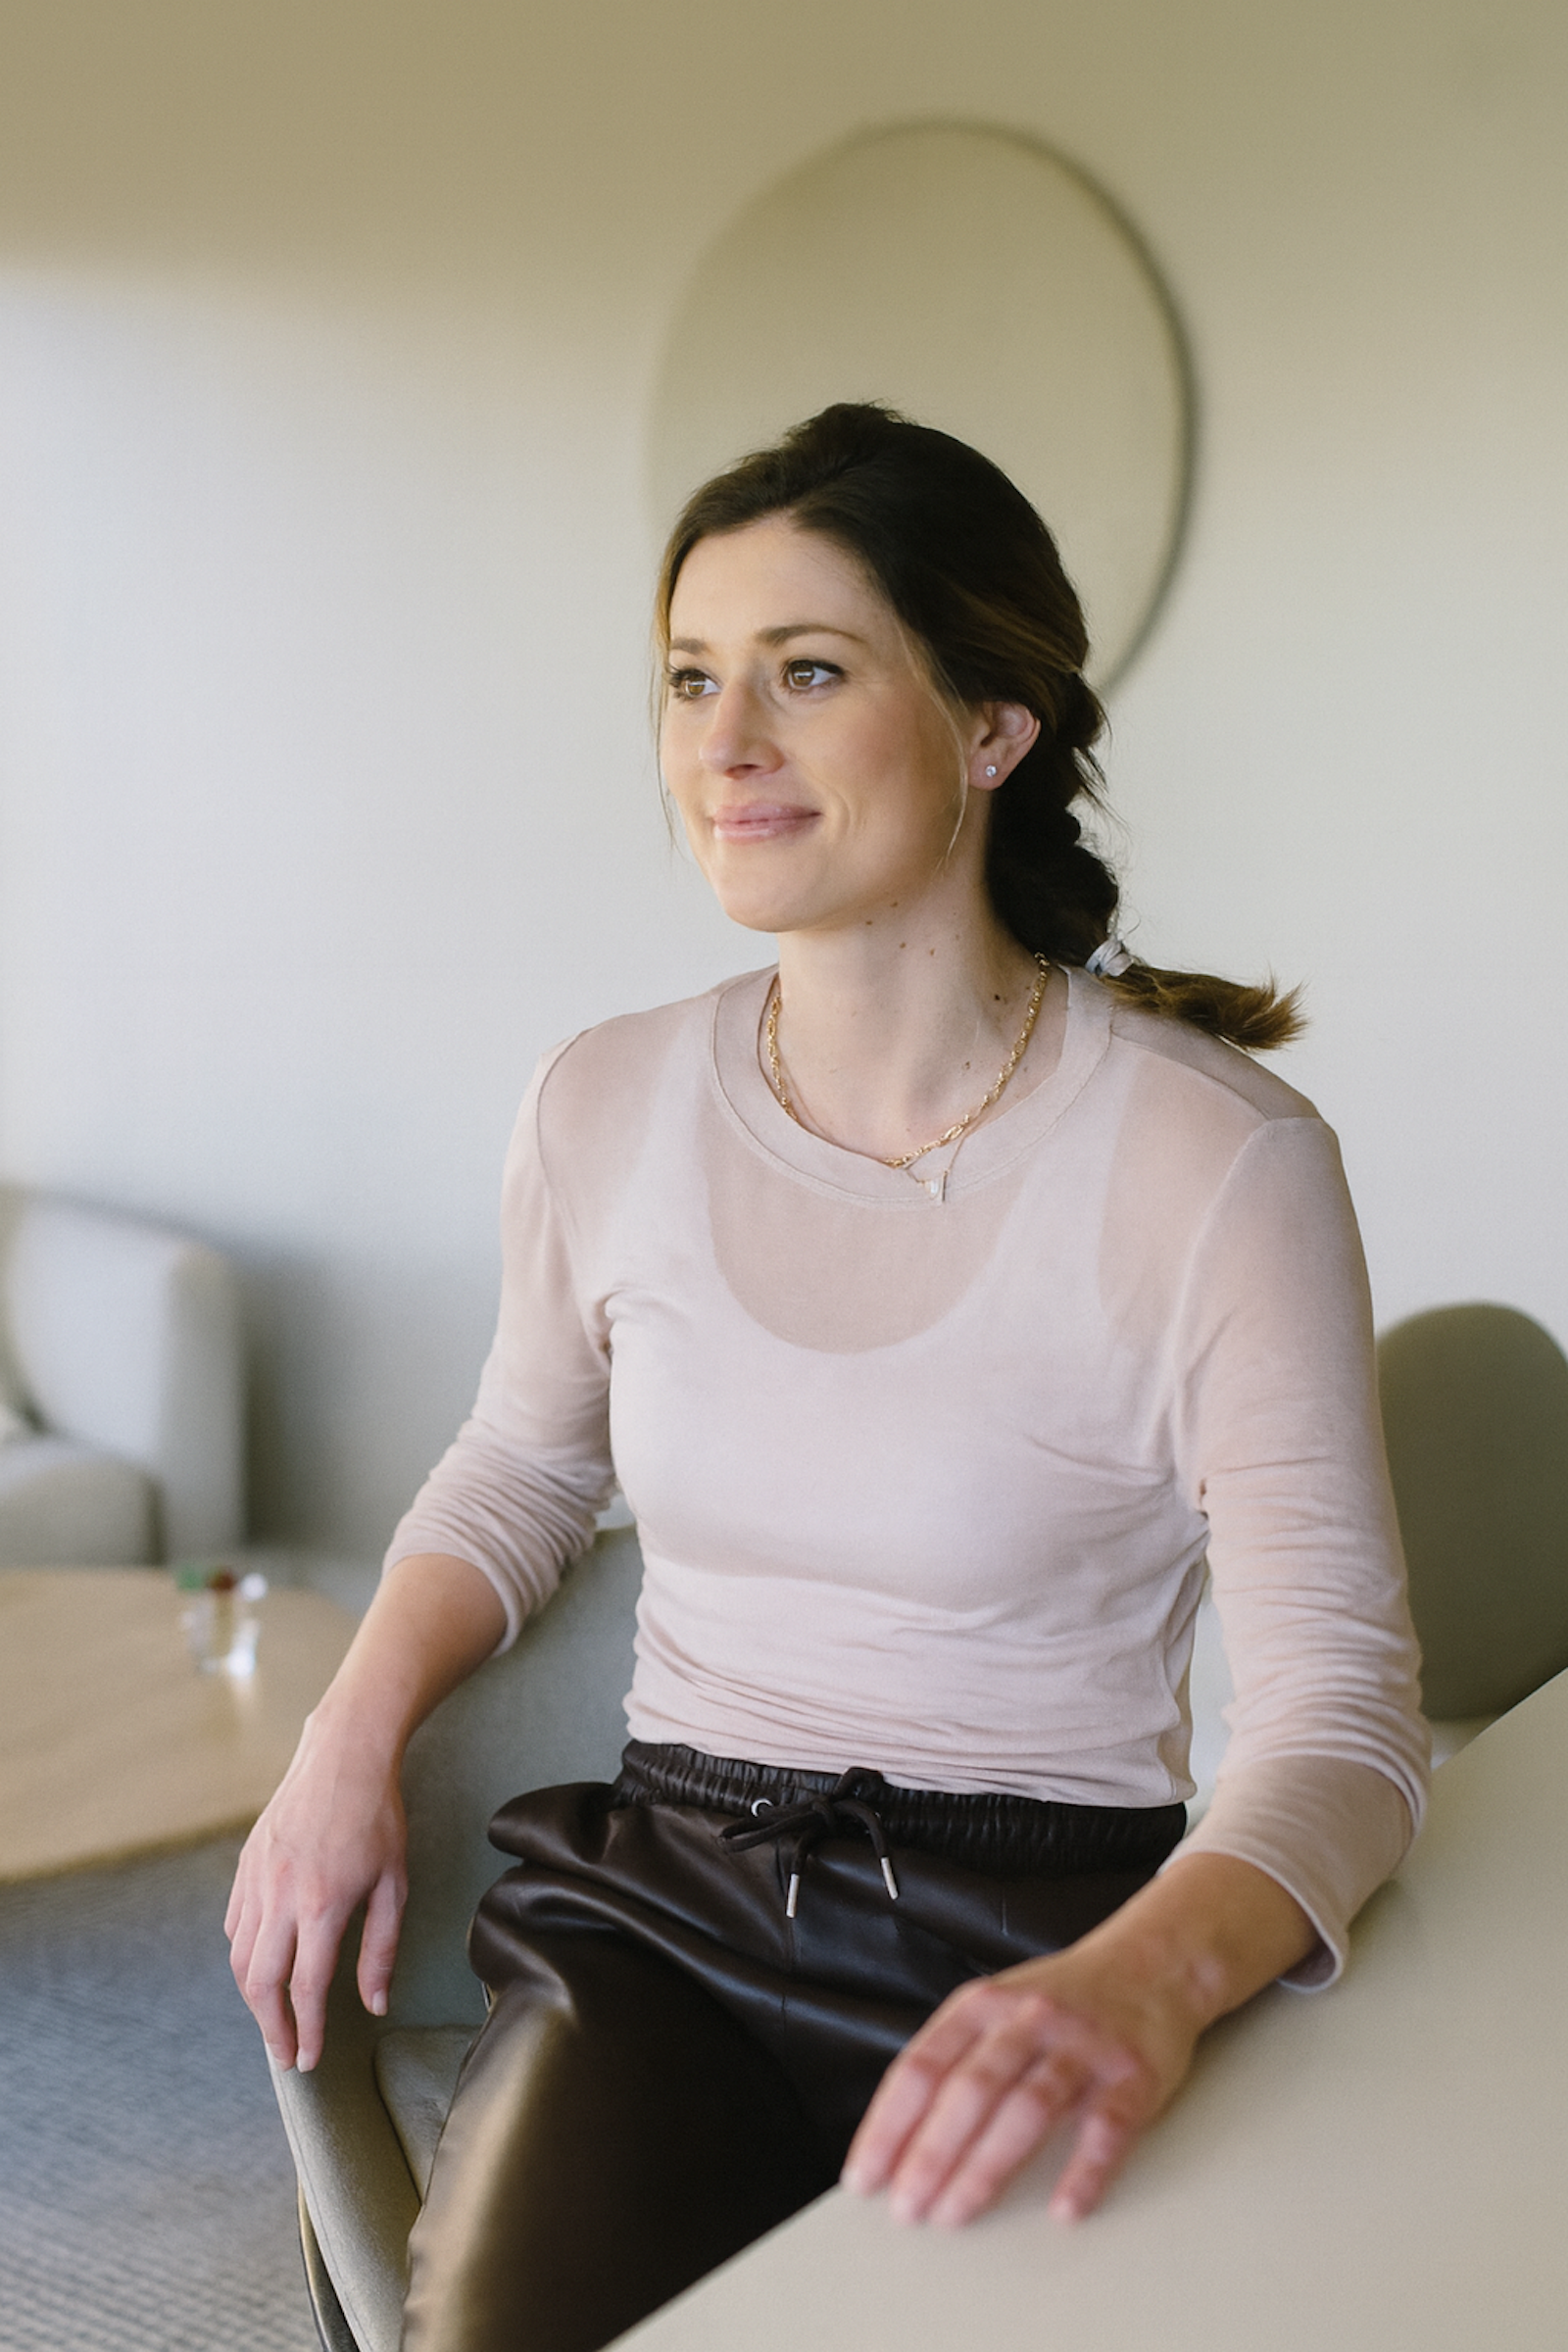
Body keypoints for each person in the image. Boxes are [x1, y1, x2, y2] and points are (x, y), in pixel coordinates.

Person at [226, 403, 1429, 2352]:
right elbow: (522, 1467)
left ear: (986, 730)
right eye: (692, 678)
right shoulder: (602, 1099)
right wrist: (346, 1738)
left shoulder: (1217, 1165)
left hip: (1047, 1930)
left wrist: (1136, 1986)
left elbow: (1341, 1723)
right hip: (664, 1919)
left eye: (805, 673)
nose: (720, 744)